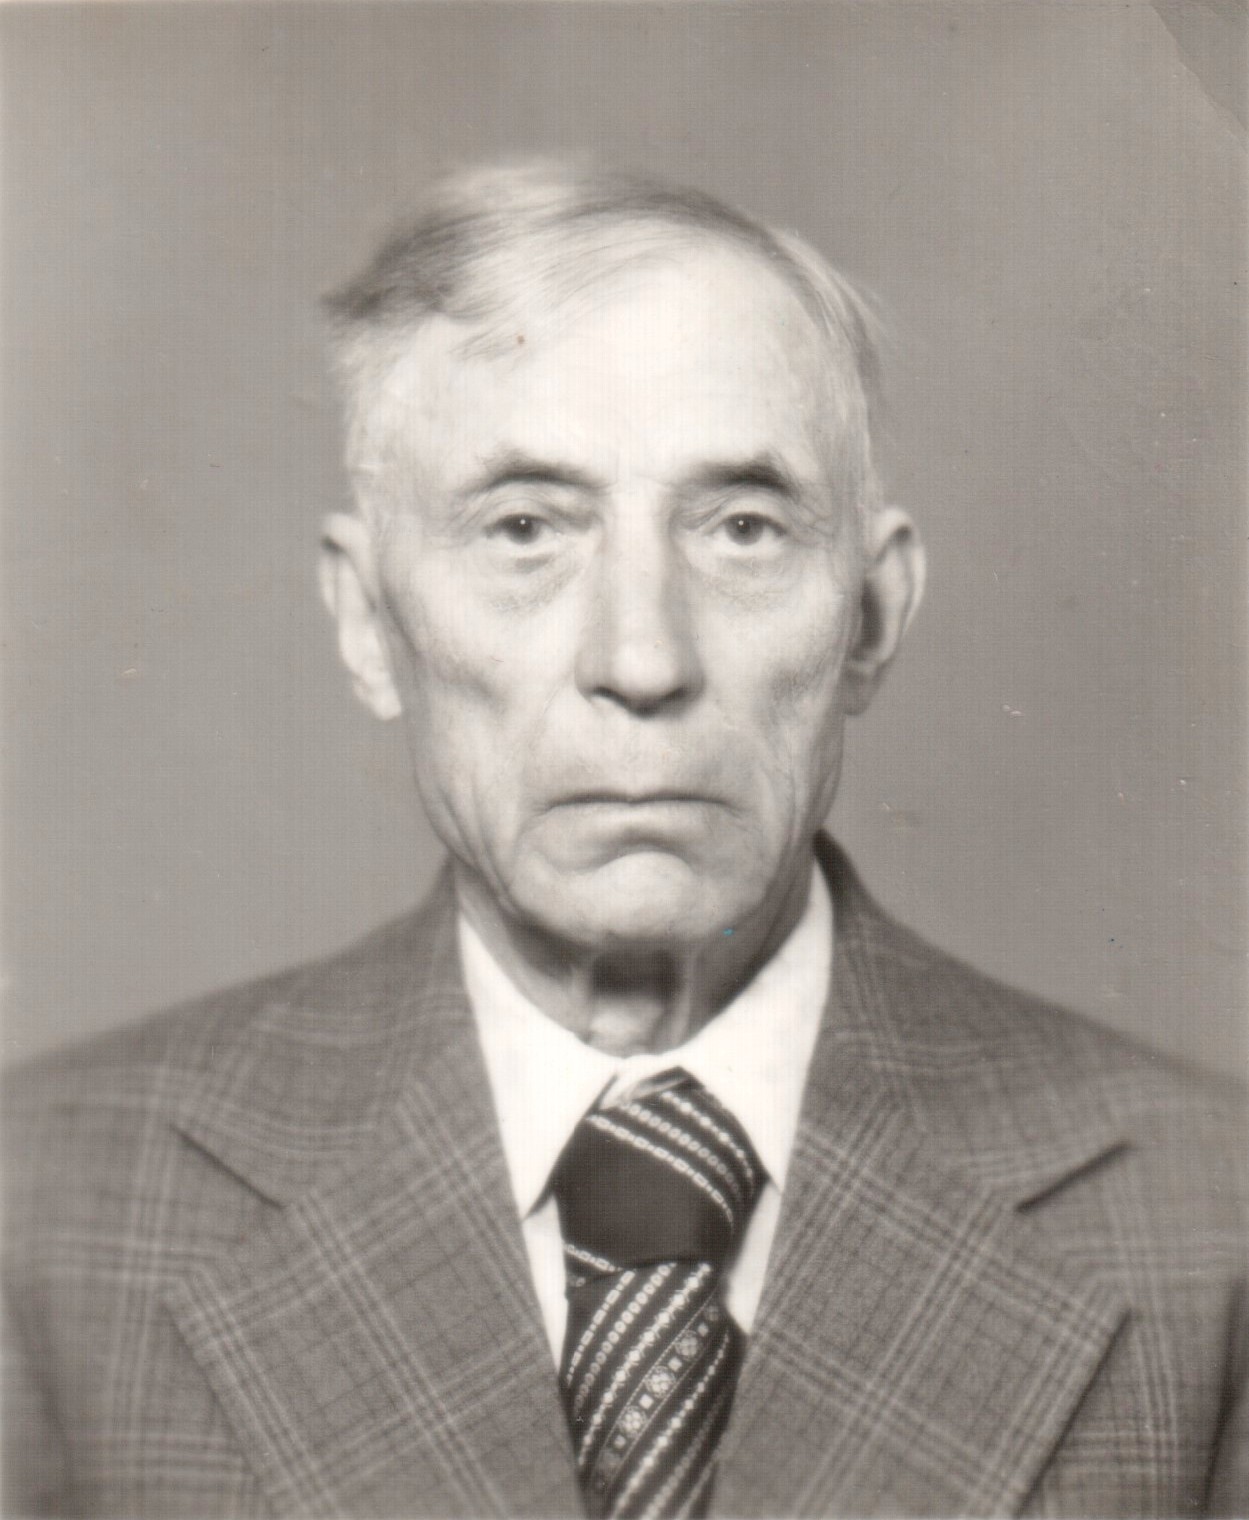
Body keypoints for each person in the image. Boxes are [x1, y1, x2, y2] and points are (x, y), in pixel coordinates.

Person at [3, 158, 1245, 1520]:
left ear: (870, 618)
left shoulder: (1213, 1226)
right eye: (526, 529)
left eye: (743, 530)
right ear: (367, 620)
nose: (642, 659)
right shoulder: (42, 1211)